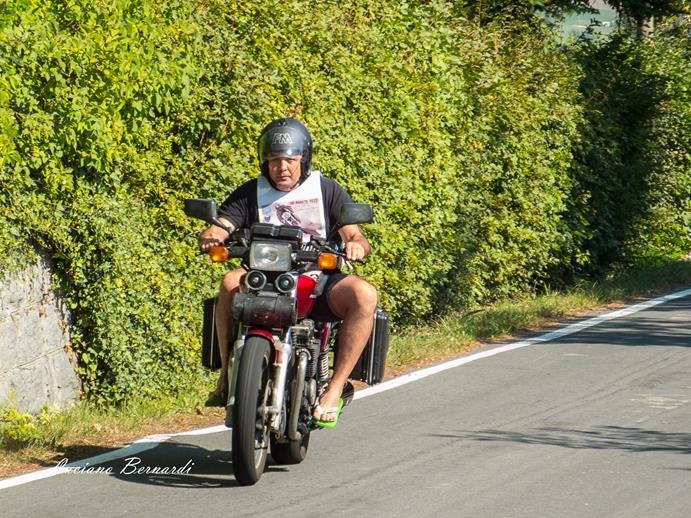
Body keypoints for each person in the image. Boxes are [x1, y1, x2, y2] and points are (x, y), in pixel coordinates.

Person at [198, 118, 377, 427]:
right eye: (274, 160)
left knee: (365, 294)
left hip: (317, 280)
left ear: (303, 160)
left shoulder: (326, 190)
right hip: (263, 278)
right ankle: (226, 375)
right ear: (264, 162)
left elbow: (354, 234)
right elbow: (225, 222)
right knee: (228, 281)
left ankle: (334, 388)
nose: (282, 168)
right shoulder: (251, 192)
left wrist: (356, 245)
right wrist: (213, 234)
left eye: (290, 160)